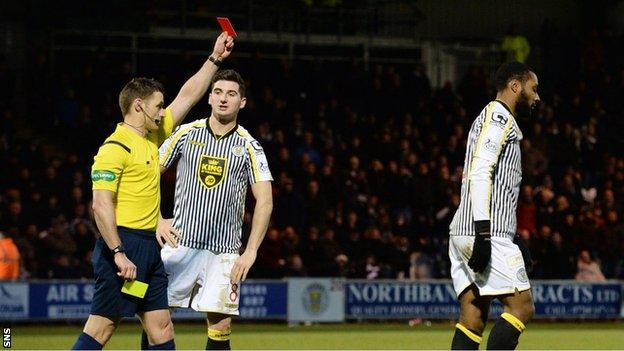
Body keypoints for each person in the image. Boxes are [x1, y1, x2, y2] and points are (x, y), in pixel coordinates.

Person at [71, 32, 235, 350]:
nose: (163, 112)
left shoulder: (150, 138)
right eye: (158, 106)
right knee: (102, 328)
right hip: (124, 247)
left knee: (161, 327)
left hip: (147, 251)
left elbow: (187, 96)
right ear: (138, 106)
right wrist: (118, 253)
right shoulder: (114, 148)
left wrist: (214, 59)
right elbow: (100, 206)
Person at [157, 69, 273, 350]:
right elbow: (148, 174)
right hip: (180, 243)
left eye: (231, 94)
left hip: (224, 252)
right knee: (157, 319)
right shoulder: (185, 133)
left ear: (241, 102)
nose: (223, 99)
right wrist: (158, 219)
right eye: (218, 92)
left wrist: (251, 251)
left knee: (220, 326)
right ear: (209, 98)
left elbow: (265, 201)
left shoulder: (249, 146)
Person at [448, 62, 539, 350]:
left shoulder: (491, 117)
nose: (537, 97)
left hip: (468, 230)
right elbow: (480, 172)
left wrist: (515, 236)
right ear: (515, 86)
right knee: (521, 307)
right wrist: (485, 234)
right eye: (533, 88)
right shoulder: (499, 117)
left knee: (473, 317)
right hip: (485, 231)